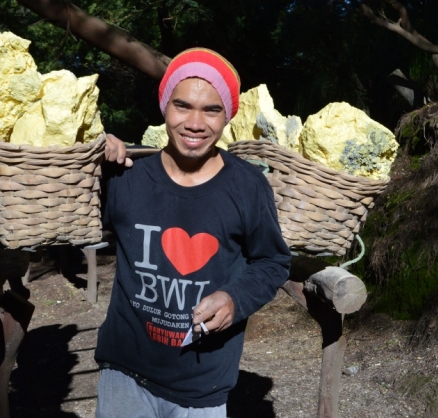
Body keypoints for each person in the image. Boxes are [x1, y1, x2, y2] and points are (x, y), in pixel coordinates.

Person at [94, 47, 291, 418]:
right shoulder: (125, 177)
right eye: (182, 106)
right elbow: (62, 213)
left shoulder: (247, 186)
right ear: (165, 107)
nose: (195, 123)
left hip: (203, 383)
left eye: (212, 109)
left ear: (227, 115)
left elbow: (272, 261)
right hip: (125, 372)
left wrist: (235, 299)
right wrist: (90, 152)